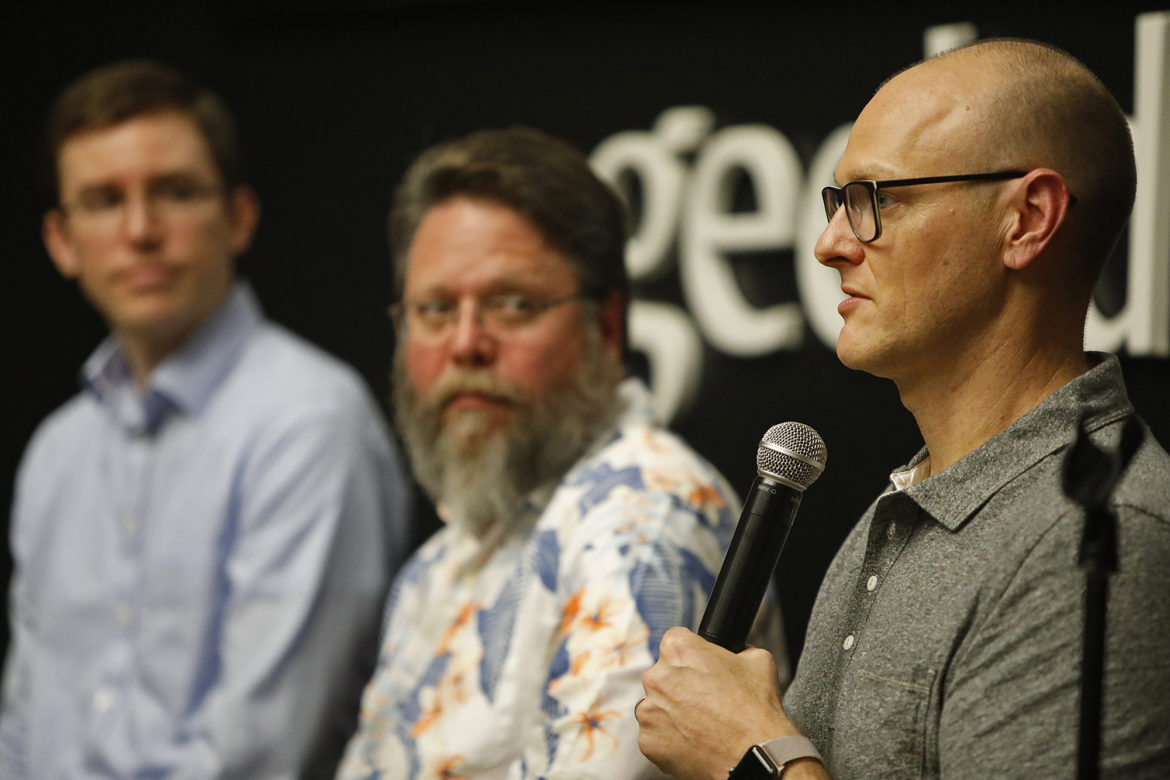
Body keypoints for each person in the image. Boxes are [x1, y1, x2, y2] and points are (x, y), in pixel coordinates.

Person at [635, 38, 1170, 780]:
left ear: (1027, 219)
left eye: (875, 200)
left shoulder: (1097, 540)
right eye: (837, 204)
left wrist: (751, 757)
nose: (828, 246)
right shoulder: (899, 512)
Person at [334, 127, 786, 779]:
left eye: (512, 305)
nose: (465, 344)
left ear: (605, 326)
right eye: (434, 309)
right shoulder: (438, 563)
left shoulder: (641, 518)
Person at [1, 59, 411, 778]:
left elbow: (264, 752)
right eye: (102, 201)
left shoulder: (308, 421)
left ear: (240, 217)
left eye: (175, 192)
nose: (140, 231)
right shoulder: (57, 451)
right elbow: (23, 725)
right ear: (61, 241)